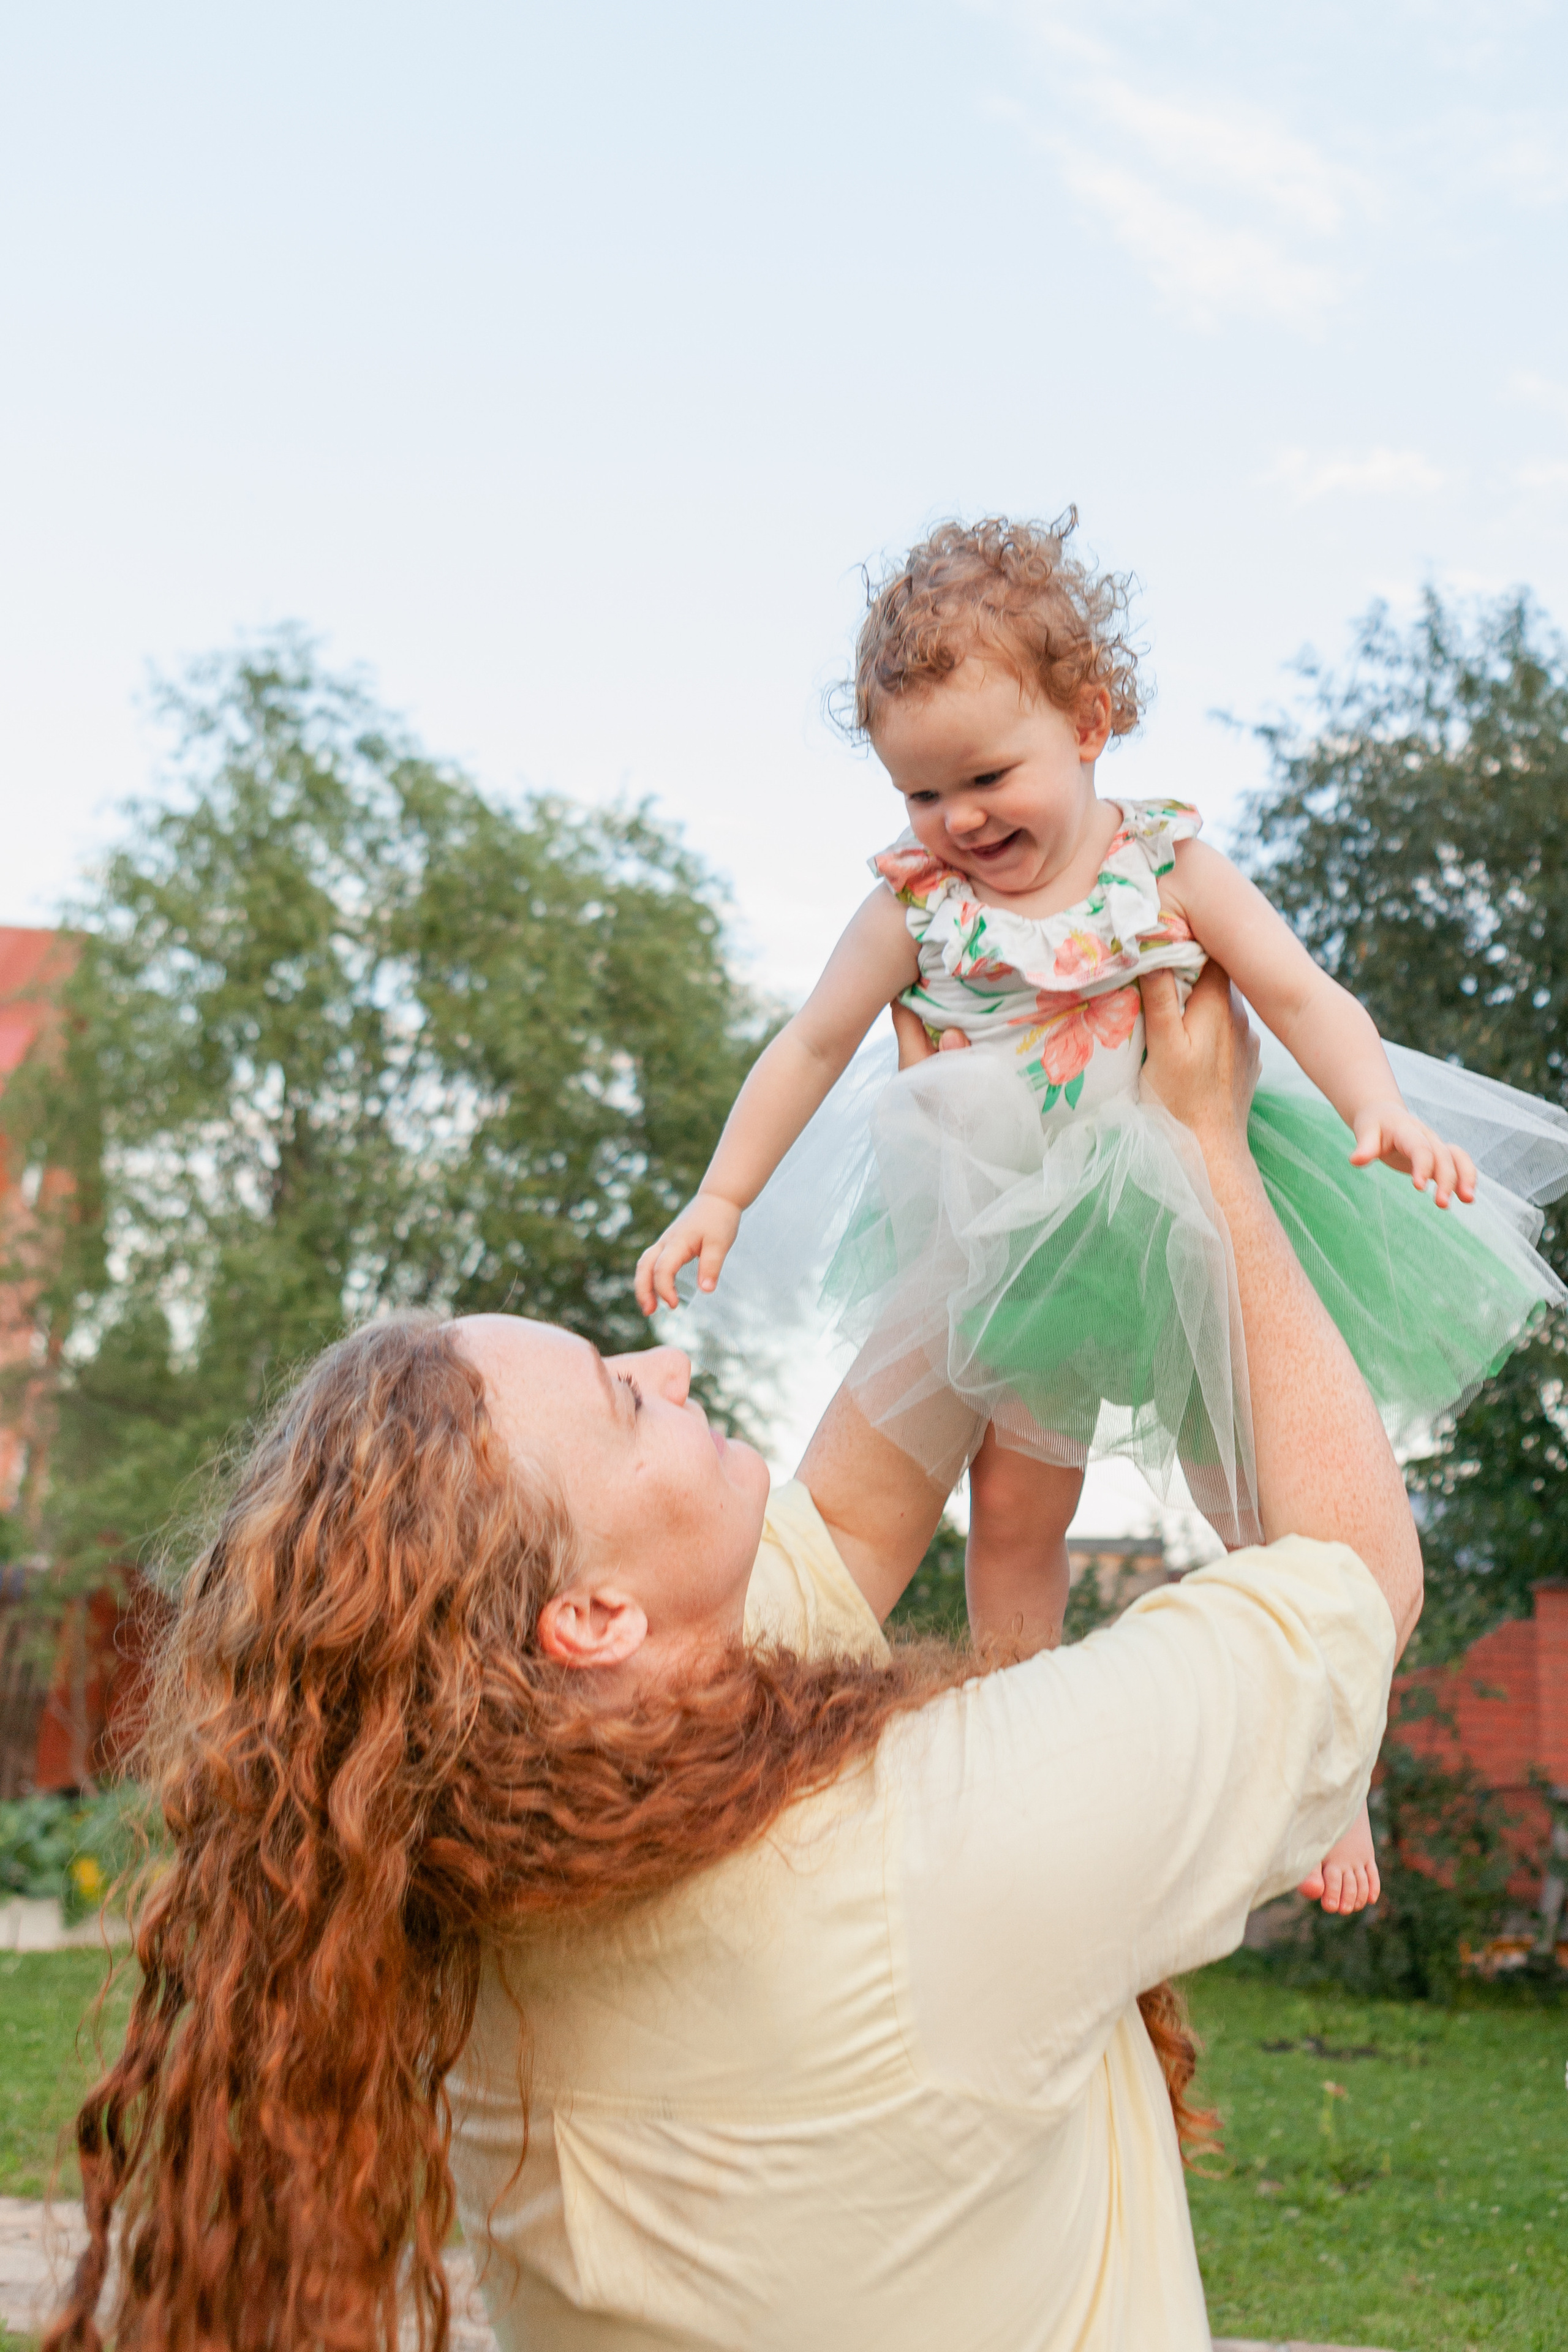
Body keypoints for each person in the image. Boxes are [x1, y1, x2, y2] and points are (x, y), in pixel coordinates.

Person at [54, 965, 1418, 2352]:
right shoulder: (932, 1854)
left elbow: (850, 1514)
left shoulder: (502, 1862)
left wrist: (1005, 1158)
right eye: (615, 1401)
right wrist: (1205, 1150)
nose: (667, 1368)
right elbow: (1352, 1580)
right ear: (589, 1619)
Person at [635, 514, 1568, 1913]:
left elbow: (1299, 994)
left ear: (1090, 721)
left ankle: (1333, 1779)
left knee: (1258, 1502)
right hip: (1014, 1231)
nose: (959, 821)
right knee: (1011, 1503)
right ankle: (1013, 1715)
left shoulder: (1167, 864)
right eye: (920, 794)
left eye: (988, 775)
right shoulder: (915, 907)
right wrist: (720, 1193)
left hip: (1187, 1201)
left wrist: (1377, 1105)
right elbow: (813, 1042)